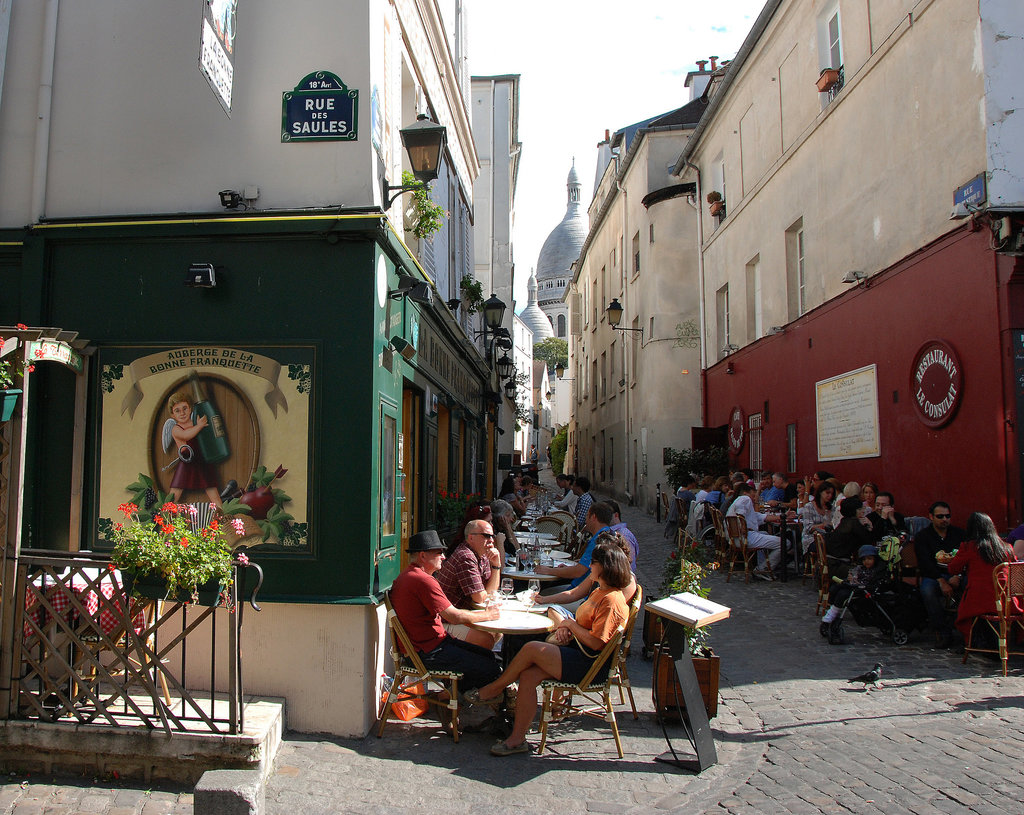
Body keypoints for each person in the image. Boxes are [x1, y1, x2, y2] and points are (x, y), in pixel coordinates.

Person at [465, 544, 631, 756]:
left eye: (593, 563)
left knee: (532, 648)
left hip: (589, 664)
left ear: (605, 567)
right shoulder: (600, 591)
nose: (589, 567)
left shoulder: (611, 600)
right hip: (580, 653)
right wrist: (567, 626)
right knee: (528, 675)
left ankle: (494, 689)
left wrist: (570, 625)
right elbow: (586, 626)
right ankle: (517, 739)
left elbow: (596, 643)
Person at [388, 530, 501, 690]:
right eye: (439, 553)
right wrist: (488, 615)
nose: (443, 557)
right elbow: (454, 616)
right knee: (491, 668)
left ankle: (453, 696)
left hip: (428, 646)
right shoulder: (423, 580)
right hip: (426, 652)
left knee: (488, 656)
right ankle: (453, 698)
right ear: (423, 556)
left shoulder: (409, 575)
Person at [946, 512, 1020, 643]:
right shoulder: (1007, 547)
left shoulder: (970, 547)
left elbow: (953, 568)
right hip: (1007, 601)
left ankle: (974, 641)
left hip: (979, 600)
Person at [436, 519, 504, 648]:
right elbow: (480, 598)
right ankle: (478, 665)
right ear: (471, 537)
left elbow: (490, 593)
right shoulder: (465, 557)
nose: (492, 540)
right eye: (486, 536)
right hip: (446, 621)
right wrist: (487, 596)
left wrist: (496, 565)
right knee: (486, 638)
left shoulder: (482, 555)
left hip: (464, 614)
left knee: (497, 631)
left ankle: (482, 663)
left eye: (493, 536)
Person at [534, 532, 638, 614]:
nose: (590, 565)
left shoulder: (626, 582)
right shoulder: (603, 574)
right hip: (584, 617)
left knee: (549, 611)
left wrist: (571, 625)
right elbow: (573, 593)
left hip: (588, 626)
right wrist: (544, 599)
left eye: (594, 560)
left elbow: (612, 619)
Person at [914, 501, 967, 648]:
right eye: (940, 516)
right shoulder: (923, 537)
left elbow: (966, 558)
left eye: (947, 516)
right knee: (928, 590)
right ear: (931, 517)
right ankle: (943, 631)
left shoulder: (959, 534)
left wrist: (959, 576)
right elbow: (925, 563)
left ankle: (967, 631)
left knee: (971, 587)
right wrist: (941, 581)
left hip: (957, 574)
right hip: (934, 575)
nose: (945, 519)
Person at [535, 501, 614, 590]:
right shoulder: (609, 534)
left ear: (593, 517)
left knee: (542, 591)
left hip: (580, 590)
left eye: (587, 516)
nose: (586, 520)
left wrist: (548, 571)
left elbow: (579, 571)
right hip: (585, 588)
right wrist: (568, 569)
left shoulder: (598, 540)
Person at [165, 391, 222, 507]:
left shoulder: (197, 421)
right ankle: (165, 516)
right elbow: (186, 435)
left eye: (185, 408)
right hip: (187, 461)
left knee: (212, 490)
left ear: (190, 409)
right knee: (175, 492)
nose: (182, 413)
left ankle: (222, 515)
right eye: (177, 410)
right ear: (172, 415)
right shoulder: (176, 429)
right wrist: (200, 426)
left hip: (202, 460)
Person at [725, 483, 786, 579]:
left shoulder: (739, 501)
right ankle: (762, 569)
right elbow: (740, 514)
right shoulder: (745, 499)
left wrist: (782, 517)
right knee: (783, 543)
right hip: (744, 537)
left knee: (765, 533)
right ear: (746, 493)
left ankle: (762, 566)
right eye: (753, 496)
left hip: (736, 538)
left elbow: (760, 517)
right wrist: (743, 527)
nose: (754, 499)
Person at [820, 544, 885, 629]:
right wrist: (850, 578)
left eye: (869, 559)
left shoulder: (873, 571)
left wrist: (854, 580)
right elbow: (854, 574)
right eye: (864, 559)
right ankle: (833, 610)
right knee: (834, 588)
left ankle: (832, 614)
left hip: (863, 588)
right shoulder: (861, 568)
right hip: (855, 586)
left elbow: (866, 582)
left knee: (842, 594)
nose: (866, 561)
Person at [825, 497, 873, 579]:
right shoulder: (854, 523)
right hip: (839, 566)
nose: (863, 511)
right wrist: (869, 527)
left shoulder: (844, 521)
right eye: (860, 509)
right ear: (855, 511)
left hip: (829, 563)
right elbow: (868, 541)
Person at [799, 481, 836, 555]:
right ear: (820, 492)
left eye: (832, 494)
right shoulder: (809, 507)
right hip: (811, 538)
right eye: (827, 493)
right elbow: (808, 528)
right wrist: (823, 525)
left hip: (828, 537)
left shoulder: (832, 508)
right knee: (826, 546)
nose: (830, 496)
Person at [605, 499, 638, 570]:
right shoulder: (610, 532)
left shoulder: (623, 534)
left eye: (606, 515)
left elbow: (629, 563)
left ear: (616, 515)